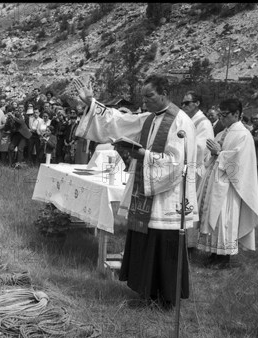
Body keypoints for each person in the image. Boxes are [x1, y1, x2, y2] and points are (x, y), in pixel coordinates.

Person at [73, 74, 198, 309]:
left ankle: (166, 299)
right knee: (145, 243)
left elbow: (176, 163)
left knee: (162, 247)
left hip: (166, 200)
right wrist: (92, 102)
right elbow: (119, 122)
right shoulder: (150, 118)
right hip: (147, 196)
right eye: (143, 96)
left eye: (149, 96)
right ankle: (147, 293)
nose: (145, 101)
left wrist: (144, 156)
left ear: (164, 94)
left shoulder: (180, 122)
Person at [196, 99, 258, 268]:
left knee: (225, 218)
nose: (222, 118)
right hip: (215, 181)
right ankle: (214, 252)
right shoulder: (221, 133)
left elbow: (241, 162)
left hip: (230, 186)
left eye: (225, 115)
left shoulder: (244, 135)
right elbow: (213, 156)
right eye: (220, 114)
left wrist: (219, 152)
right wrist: (213, 153)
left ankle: (224, 258)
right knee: (213, 217)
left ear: (237, 114)